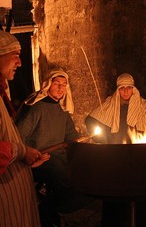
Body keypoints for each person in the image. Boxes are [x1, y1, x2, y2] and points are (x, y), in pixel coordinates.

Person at [16, 69, 90, 225]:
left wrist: (83, 142)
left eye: (64, 85)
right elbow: (18, 136)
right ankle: (46, 209)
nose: (61, 88)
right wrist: (33, 156)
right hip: (37, 159)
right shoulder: (37, 108)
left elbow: (71, 137)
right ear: (48, 85)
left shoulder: (62, 111)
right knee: (57, 168)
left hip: (58, 156)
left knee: (79, 167)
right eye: (57, 84)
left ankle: (58, 205)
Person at [85, 73, 146, 227]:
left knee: (137, 190)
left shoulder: (142, 106)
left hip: (135, 155)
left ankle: (138, 221)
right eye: (122, 88)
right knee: (113, 191)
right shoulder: (110, 104)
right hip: (115, 155)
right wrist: (103, 141)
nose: (125, 92)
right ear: (118, 90)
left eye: (129, 88)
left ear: (133, 89)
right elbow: (90, 120)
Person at [0, 30, 50, 227]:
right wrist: (22, 152)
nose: (20, 63)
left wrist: (27, 157)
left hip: (15, 200)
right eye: (15, 56)